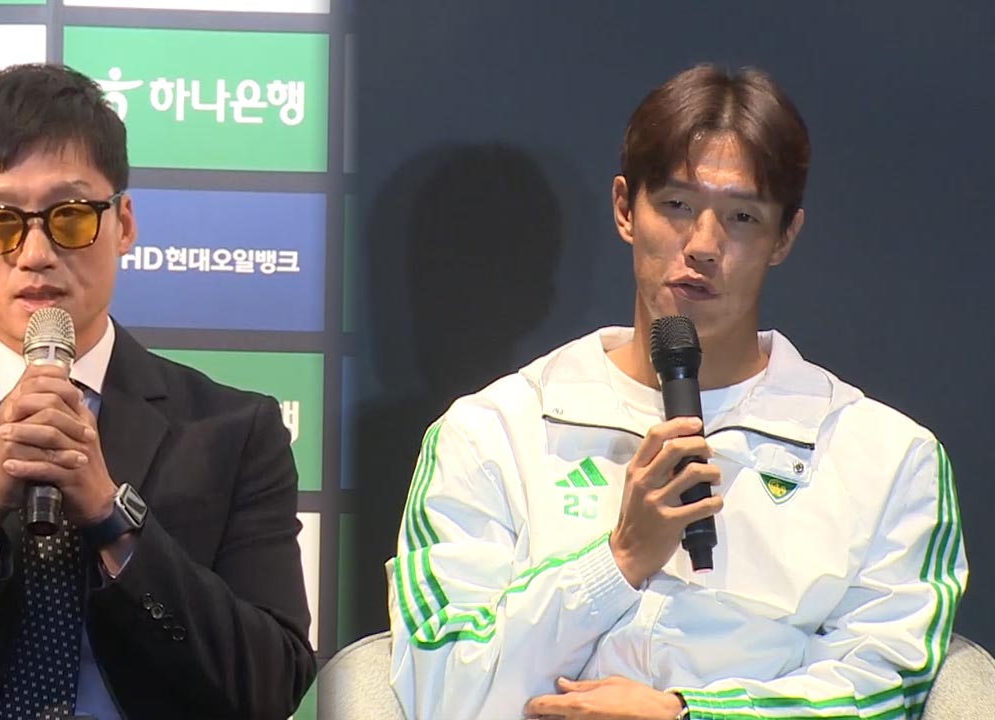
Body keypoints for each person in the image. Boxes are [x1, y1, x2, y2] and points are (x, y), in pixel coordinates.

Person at [385, 63, 968, 720]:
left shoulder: (886, 457)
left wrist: (690, 714)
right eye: (676, 206)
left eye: (742, 216)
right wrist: (619, 559)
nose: (703, 245)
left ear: (784, 236)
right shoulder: (491, 433)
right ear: (624, 209)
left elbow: (885, 690)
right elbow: (440, 690)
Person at [0, 62, 316, 720]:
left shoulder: (235, 431)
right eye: (0, 222)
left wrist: (111, 515)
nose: (36, 252)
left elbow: (270, 687)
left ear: (123, 223)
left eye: (70, 217)